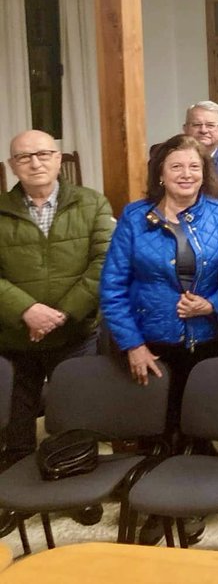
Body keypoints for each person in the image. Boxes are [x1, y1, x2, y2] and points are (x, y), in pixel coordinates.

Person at [101, 134, 218, 543]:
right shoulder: (133, 217)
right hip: (152, 344)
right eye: (176, 166)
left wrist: (212, 305)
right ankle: (157, 508)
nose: (186, 174)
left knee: (196, 428)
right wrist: (133, 344)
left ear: (205, 172)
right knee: (159, 429)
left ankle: (190, 506)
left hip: (210, 345)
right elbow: (112, 286)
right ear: (160, 172)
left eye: (194, 167)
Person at [0, 130, 113, 470]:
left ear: (58, 158)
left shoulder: (93, 203)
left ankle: (74, 479)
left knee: (76, 412)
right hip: (15, 335)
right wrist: (27, 310)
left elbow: (105, 263)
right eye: (24, 157)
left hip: (75, 332)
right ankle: (17, 488)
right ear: (12, 165)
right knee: (16, 418)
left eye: (44, 154)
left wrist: (60, 314)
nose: (35, 163)